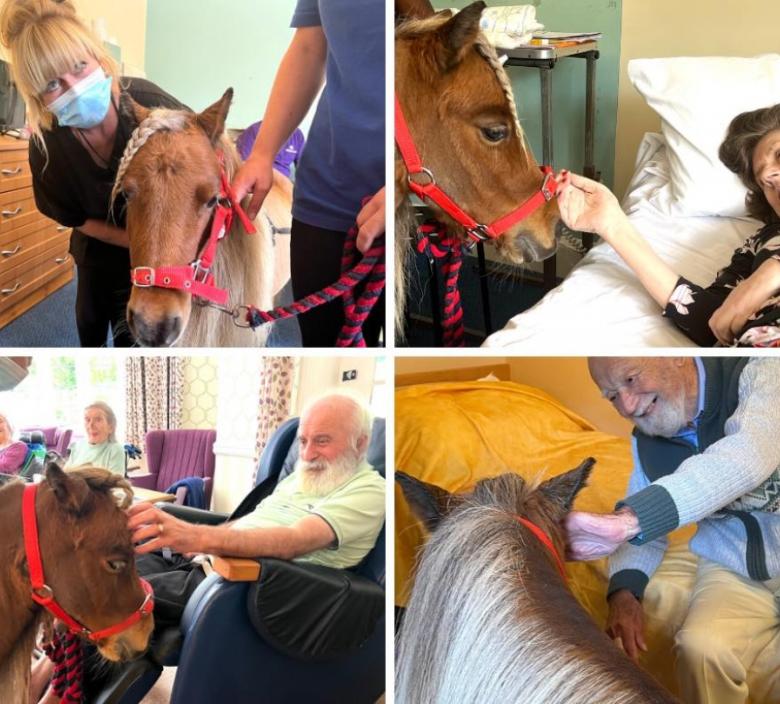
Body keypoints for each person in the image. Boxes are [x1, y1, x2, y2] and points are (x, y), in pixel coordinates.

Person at [565, 356, 780, 704]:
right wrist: (624, 593)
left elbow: (750, 453)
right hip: (732, 565)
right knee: (699, 648)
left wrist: (631, 520)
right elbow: (641, 516)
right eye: (611, 396)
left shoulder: (762, 369)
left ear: (676, 355)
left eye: (631, 380)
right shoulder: (646, 440)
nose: (627, 406)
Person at [0, 0, 184, 347]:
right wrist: (133, 241)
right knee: (90, 323)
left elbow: (203, 146)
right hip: (97, 249)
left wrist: (159, 246)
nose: (74, 88)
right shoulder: (48, 146)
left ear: (99, 58)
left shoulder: (149, 103)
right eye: (53, 84)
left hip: (159, 251)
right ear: (39, 98)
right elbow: (74, 217)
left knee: (136, 338)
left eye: (80, 67)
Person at [556, 104, 780, 347]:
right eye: (762, 182)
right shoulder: (760, 242)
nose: (768, 175)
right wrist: (612, 225)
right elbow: (712, 323)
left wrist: (772, 273)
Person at [232, 0, 385, 347]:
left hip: (398, 202)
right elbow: (308, 46)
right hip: (323, 192)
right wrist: (261, 154)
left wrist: (404, 180)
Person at [65, 401, 125, 475]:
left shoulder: (115, 450)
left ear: (110, 427)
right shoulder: (77, 446)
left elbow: (116, 484)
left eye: (98, 420)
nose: (91, 425)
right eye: (87, 420)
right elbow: (64, 476)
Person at [235, 120, 305, 180]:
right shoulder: (254, 130)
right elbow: (242, 164)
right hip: (258, 181)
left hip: (283, 185)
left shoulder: (297, 135)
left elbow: (304, 168)